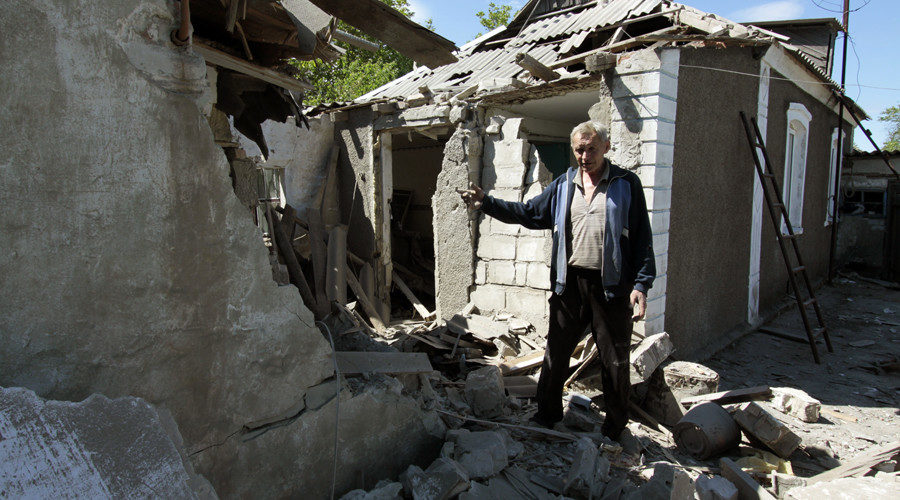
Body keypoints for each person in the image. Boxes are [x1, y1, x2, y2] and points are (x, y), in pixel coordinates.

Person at [459, 121, 655, 438]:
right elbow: (530, 213)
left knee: (614, 360)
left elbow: (642, 240)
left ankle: (615, 428)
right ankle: (547, 415)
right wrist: (488, 203)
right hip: (569, 283)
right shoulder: (563, 184)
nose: (585, 155)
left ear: (605, 148)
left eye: (591, 148)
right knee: (556, 352)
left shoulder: (626, 184)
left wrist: (641, 284)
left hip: (613, 286)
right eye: (579, 149)